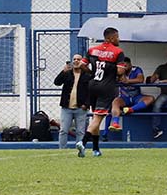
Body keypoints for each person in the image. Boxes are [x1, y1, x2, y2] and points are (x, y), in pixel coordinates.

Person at [76, 27, 126, 158]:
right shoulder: (118, 52)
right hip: (107, 87)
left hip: (93, 85)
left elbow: (81, 65)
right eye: (117, 37)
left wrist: (92, 73)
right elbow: (120, 71)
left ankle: (95, 149)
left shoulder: (92, 50)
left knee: (95, 117)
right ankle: (83, 142)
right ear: (111, 38)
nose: (119, 39)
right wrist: (117, 72)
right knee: (98, 118)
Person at [54, 55, 91, 149]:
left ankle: (80, 149)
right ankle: (62, 149)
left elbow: (91, 91)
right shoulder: (67, 73)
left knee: (80, 131)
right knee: (63, 130)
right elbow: (57, 82)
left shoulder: (87, 75)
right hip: (67, 107)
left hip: (80, 108)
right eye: (74, 59)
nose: (76, 61)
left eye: (78, 59)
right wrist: (63, 71)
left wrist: (86, 104)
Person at [106, 57, 145, 135]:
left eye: (125, 65)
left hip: (136, 97)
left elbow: (140, 79)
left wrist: (128, 81)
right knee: (114, 103)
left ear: (130, 64)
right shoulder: (118, 71)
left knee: (150, 99)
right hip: (124, 98)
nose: (124, 67)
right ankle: (115, 123)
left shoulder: (136, 69)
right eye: (122, 66)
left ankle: (130, 109)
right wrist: (117, 78)